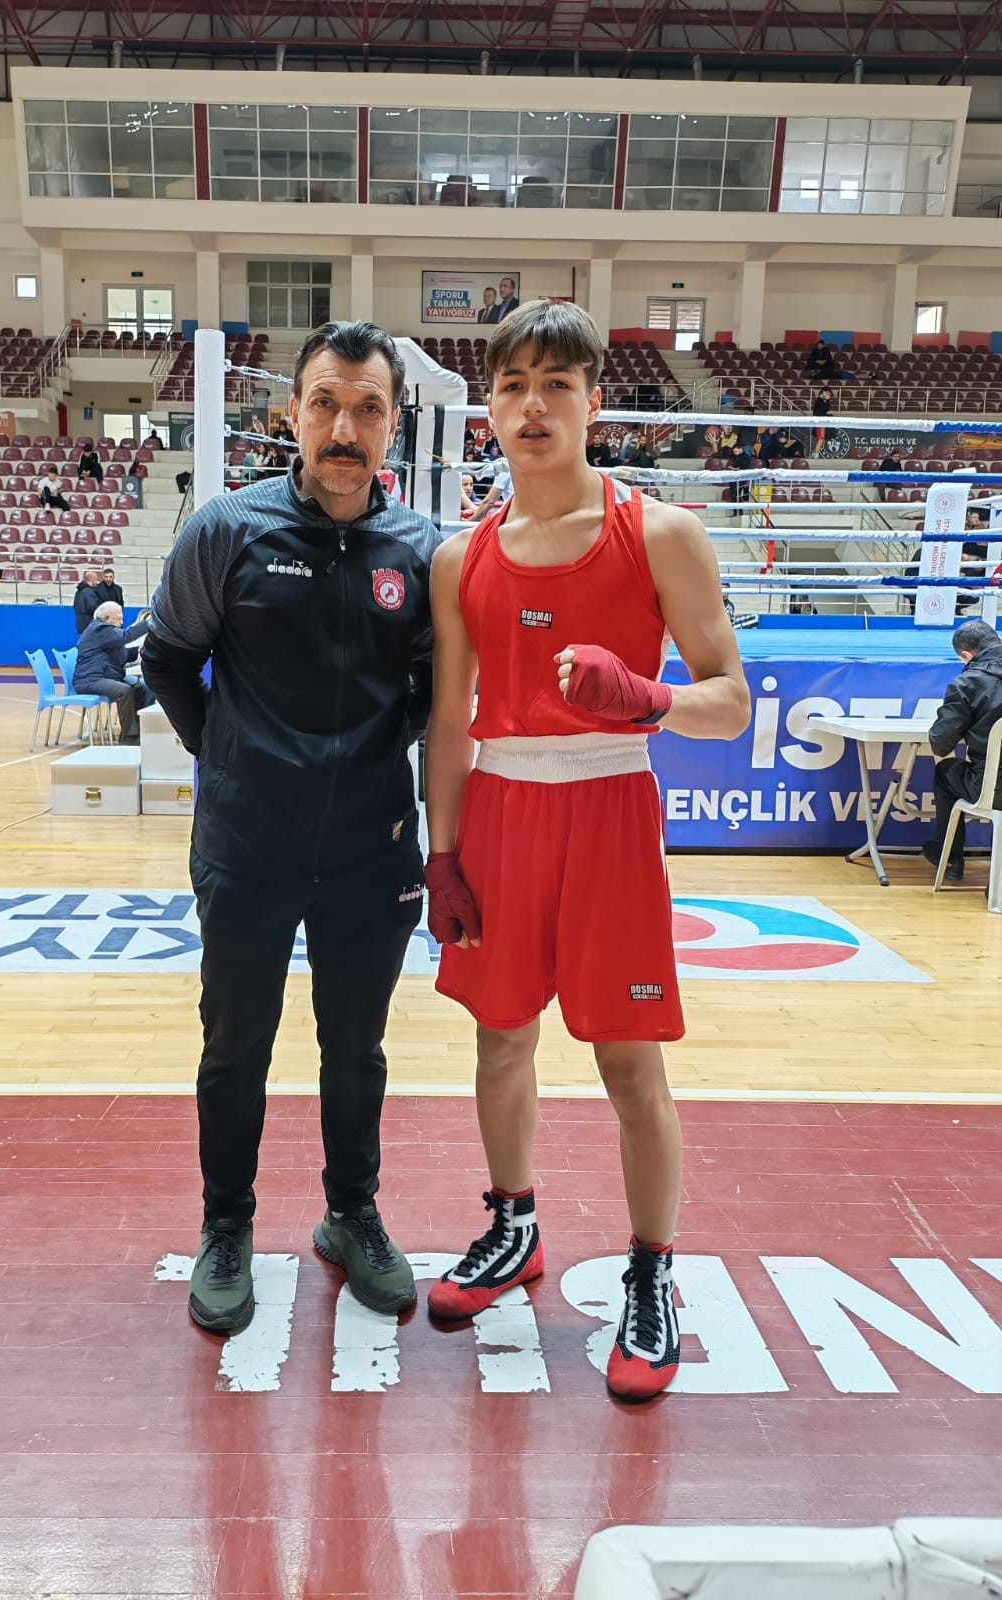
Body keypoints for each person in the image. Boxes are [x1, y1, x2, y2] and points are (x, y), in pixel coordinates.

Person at [421, 299, 750, 1401]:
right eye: (513, 384)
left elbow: (732, 702)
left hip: (610, 810)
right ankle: (513, 1227)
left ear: (594, 402)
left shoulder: (660, 533)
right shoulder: (460, 556)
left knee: (628, 1062)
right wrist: (444, 854)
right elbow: (449, 720)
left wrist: (647, 696)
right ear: (489, 408)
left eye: (556, 384)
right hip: (503, 812)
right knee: (500, 1040)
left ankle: (652, 1273)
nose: (534, 405)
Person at [140, 320, 439, 1338]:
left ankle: (352, 1213)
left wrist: (381, 758)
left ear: (392, 423)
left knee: (357, 1048)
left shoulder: (424, 552)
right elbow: (167, 659)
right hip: (248, 845)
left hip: (370, 850)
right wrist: (229, 756)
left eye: (367, 408)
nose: (345, 429)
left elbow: (436, 688)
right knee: (236, 1047)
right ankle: (226, 1226)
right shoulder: (227, 529)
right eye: (326, 404)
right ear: (292, 414)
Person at [923, 620, 1002, 882]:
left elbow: (941, 742)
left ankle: (952, 858)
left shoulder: (968, 683)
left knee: (945, 771)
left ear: (967, 656)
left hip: (994, 789)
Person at [73, 601, 150, 744]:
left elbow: (123, 655)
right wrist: (151, 622)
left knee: (141, 688)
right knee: (124, 690)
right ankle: (130, 738)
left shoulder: (106, 634)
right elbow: (127, 635)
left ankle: (138, 730)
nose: (122, 622)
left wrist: (141, 651)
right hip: (89, 680)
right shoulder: (99, 629)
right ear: (107, 618)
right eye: (119, 618)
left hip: (105, 677)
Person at [73, 568, 102, 635]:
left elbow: (75, 606)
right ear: (92, 579)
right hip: (89, 624)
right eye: (96, 579)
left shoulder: (79, 591)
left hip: (80, 623)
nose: (96, 581)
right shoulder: (89, 592)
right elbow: (93, 607)